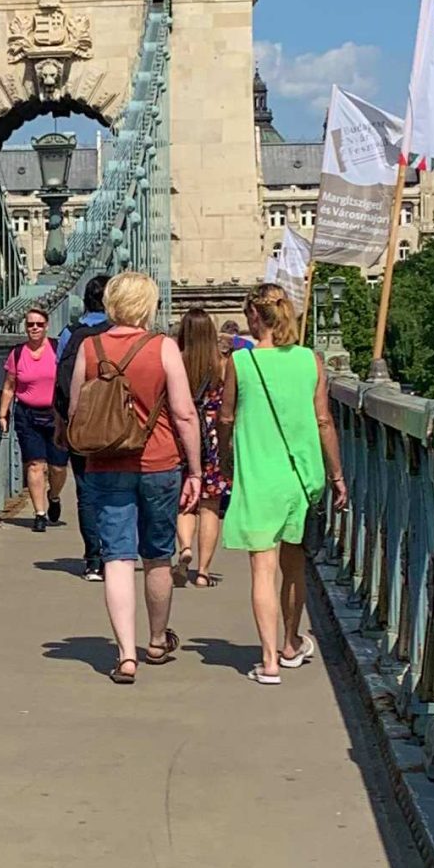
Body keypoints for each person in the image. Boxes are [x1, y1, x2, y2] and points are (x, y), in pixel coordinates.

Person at [68, 270, 203, 684]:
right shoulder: (163, 347)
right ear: (149, 305)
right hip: (159, 462)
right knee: (157, 555)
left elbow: (76, 412)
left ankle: (126, 655)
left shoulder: (89, 348)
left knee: (117, 558)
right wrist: (195, 469)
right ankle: (158, 640)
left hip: (107, 464)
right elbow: (183, 413)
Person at [224, 286, 346, 684]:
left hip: (258, 475)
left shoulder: (240, 363)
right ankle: (291, 643)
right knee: (294, 569)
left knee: (263, 570)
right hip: (300, 478)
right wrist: (337, 475)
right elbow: (324, 420)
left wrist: (226, 462)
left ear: (256, 318)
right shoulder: (311, 361)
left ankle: (269, 661)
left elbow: (225, 418)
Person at [51, 273, 112, 580]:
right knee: (116, 488)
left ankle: (94, 559)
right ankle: (117, 554)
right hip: (117, 426)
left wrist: (61, 423)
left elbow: (59, 381)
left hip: (81, 424)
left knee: (87, 492)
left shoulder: (70, 333)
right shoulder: (122, 334)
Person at [173, 307, 233, 587]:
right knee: (210, 505)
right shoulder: (222, 364)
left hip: (181, 435)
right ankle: (203, 571)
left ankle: (185, 548)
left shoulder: (175, 361)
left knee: (185, 500)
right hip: (212, 438)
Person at [0, 305, 67, 530]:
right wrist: (2, 413)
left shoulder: (58, 350)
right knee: (35, 465)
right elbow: (9, 386)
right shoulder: (17, 354)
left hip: (55, 415)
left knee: (57, 467)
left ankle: (54, 496)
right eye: (30, 324)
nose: (34, 328)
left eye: (39, 324)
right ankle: (39, 513)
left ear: (46, 327)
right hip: (27, 413)